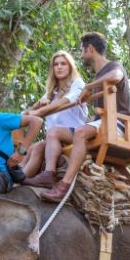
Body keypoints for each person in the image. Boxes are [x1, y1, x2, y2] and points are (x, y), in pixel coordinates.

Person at [40, 32, 130, 202]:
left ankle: (64, 186)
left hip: (118, 124)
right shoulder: (98, 77)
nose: (81, 56)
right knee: (55, 132)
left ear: (90, 49)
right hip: (101, 123)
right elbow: (97, 115)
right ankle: (48, 174)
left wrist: (88, 86)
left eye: (82, 51)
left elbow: (116, 77)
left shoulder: (113, 66)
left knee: (81, 132)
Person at [20, 50, 88, 187]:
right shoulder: (52, 92)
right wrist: (37, 105)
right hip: (54, 138)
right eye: (56, 64)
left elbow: (66, 101)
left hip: (75, 132)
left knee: (53, 131)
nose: (59, 67)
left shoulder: (78, 83)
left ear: (70, 67)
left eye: (63, 63)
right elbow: (24, 114)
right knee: (37, 146)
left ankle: (49, 174)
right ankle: (19, 177)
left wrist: (39, 112)